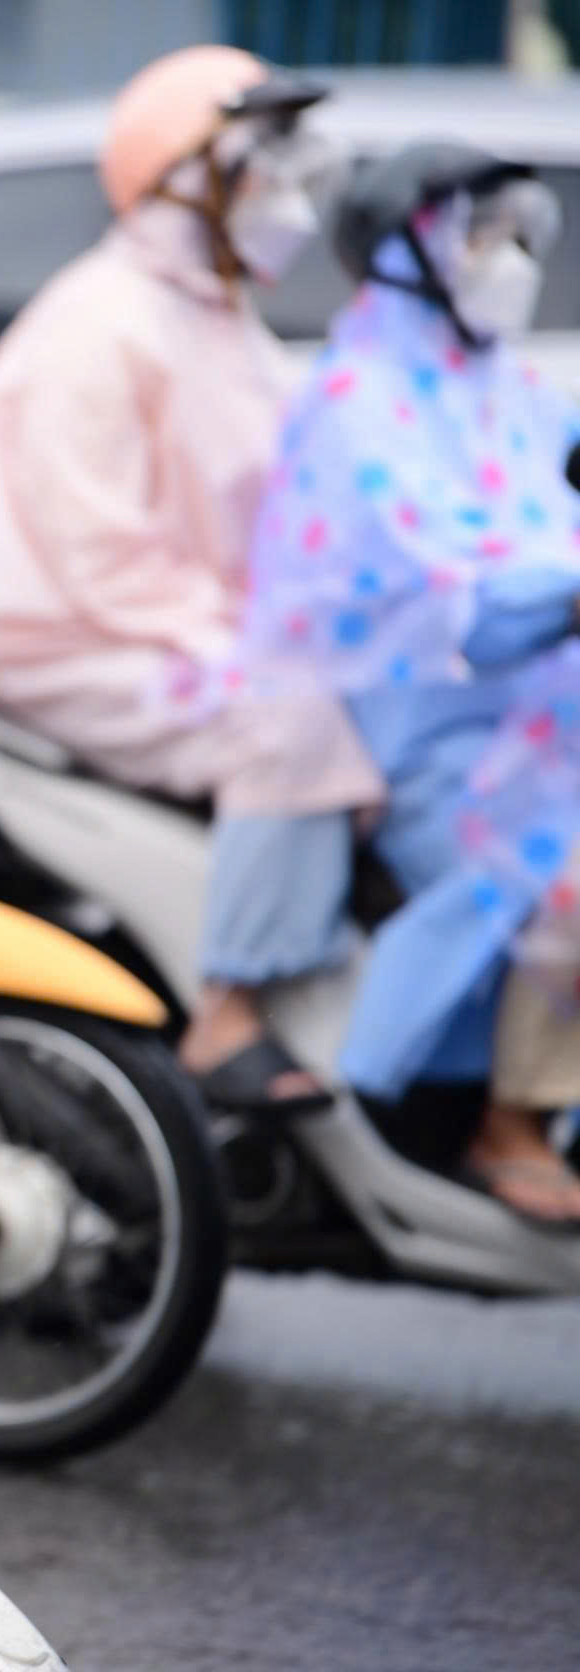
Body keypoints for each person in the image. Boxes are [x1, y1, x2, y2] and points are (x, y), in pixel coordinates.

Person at [0, 45, 384, 1118]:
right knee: (284, 718)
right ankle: (231, 1012)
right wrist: (250, 645)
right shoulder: (101, 320)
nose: (284, 197)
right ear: (182, 177)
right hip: (51, 633)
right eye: (261, 167)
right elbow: (93, 546)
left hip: (166, 621)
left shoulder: (217, 314)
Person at [239, 141, 580, 1222]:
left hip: (545, 711)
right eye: (485, 236)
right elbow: (454, 599)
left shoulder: (507, 385)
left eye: (518, 233)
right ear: (409, 246)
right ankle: (512, 1118)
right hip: (427, 734)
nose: (510, 259)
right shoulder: (356, 402)